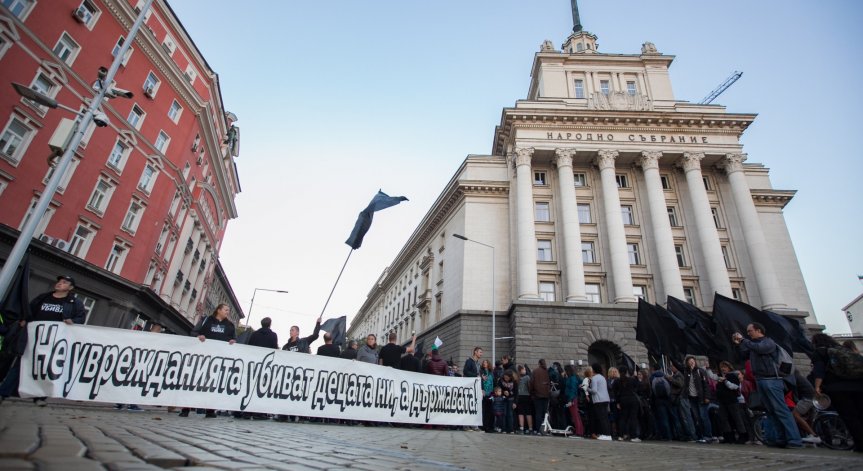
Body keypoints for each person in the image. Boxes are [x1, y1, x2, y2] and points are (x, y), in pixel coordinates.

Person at [0, 275, 85, 406]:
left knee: (47, 369)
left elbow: (80, 319)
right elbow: (29, 311)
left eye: (64, 282)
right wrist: (24, 320)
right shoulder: (43, 297)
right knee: (21, 365)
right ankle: (3, 393)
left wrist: (72, 321)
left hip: (54, 342)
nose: (59, 283)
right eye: (59, 281)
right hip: (33, 338)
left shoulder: (74, 303)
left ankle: (39, 397)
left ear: (70, 288)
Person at [733, 323, 802, 448]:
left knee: (781, 410)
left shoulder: (768, 342)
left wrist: (743, 340)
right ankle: (779, 439)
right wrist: (738, 345)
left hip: (772, 380)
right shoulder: (753, 346)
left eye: (750, 331)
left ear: (759, 330)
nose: (748, 333)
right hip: (760, 380)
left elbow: (760, 349)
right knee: (770, 412)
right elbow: (742, 356)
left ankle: (794, 440)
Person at [179, 304, 236, 418]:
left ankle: (210, 410)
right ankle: (186, 408)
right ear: (218, 310)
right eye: (226, 310)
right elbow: (194, 332)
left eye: (228, 310)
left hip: (218, 359)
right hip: (202, 357)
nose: (228, 312)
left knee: (213, 383)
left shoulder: (230, 325)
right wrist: (199, 336)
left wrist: (232, 341)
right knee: (194, 381)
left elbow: (234, 339)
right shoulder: (205, 320)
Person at [810, 333, 863, 452]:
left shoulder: (820, 352)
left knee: (850, 417)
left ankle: (860, 444)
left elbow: (819, 371)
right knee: (860, 414)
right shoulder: (843, 349)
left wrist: (817, 387)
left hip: (838, 388)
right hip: (859, 385)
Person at [714, 361, 747, 444]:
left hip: (732, 401)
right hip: (722, 401)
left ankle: (743, 436)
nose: (723, 369)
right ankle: (728, 436)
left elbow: (734, 387)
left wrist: (725, 381)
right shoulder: (720, 377)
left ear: (729, 368)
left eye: (725, 367)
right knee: (723, 419)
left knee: (737, 418)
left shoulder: (733, 376)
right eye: (722, 367)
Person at [682, 355, 712, 442]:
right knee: (697, 418)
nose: (691, 363)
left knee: (704, 417)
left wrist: (707, 397)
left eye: (693, 361)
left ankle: (708, 435)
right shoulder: (687, 372)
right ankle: (701, 435)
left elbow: (706, 385)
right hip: (692, 398)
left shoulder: (700, 371)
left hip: (701, 398)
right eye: (689, 362)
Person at [589, 363, 612, 440]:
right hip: (605, 399)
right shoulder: (602, 377)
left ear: (594, 370)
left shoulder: (594, 378)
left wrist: (587, 388)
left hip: (599, 400)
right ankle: (607, 434)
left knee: (601, 418)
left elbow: (594, 391)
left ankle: (606, 434)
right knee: (605, 418)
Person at [529, 359, 551, 435]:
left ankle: (539, 429)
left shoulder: (535, 371)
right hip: (546, 395)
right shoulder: (547, 371)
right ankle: (545, 429)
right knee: (545, 413)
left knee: (538, 413)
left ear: (539, 363)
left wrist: (532, 393)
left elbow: (531, 383)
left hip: (537, 395)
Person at [564, 364, 585, 437]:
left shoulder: (572, 378)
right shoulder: (574, 377)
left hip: (572, 398)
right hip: (573, 398)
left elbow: (573, 390)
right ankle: (580, 431)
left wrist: (570, 399)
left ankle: (578, 432)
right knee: (576, 415)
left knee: (575, 416)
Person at [516, 365, 534, 434]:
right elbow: (530, 387)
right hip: (527, 396)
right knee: (528, 413)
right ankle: (530, 428)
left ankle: (521, 428)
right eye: (524, 369)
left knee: (520, 413)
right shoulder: (527, 377)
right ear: (521, 370)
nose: (525, 371)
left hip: (519, 396)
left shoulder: (517, 378)